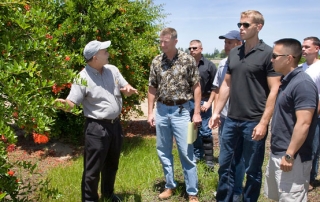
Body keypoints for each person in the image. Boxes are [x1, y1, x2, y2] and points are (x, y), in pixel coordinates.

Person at [209, 10, 281, 202]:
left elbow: (274, 90)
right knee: (225, 166)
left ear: (259, 27)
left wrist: (264, 123)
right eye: (240, 24)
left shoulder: (268, 54)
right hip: (231, 120)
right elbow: (226, 84)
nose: (241, 28)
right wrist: (216, 112)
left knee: (252, 169)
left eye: (246, 25)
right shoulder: (235, 52)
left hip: (254, 121)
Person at [55, 40, 138, 202]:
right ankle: (90, 199)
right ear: (95, 57)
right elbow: (72, 103)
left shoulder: (112, 70)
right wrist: (64, 105)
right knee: (92, 169)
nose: (107, 52)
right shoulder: (82, 78)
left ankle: (108, 194)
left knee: (112, 164)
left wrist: (129, 90)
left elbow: (126, 87)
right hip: (96, 128)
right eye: (104, 51)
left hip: (115, 126)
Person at [147, 27, 202, 202]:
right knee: (163, 150)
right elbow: (152, 88)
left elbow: (196, 87)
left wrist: (197, 113)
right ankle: (169, 186)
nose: (162, 44)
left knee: (186, 152)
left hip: (182, 111)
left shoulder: (187, 60)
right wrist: (150, 112)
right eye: (160, 41)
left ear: (175, 41)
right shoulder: (156, 61)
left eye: (166, 41)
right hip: (162, 110)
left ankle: (192, 191)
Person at [264, 38, 318, 202]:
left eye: (274, 56)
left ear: (289, 58)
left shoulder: (302, 83)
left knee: (291, 197)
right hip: (278, 151)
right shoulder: (287, 81)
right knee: (280, 196)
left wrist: (290, 154)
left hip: (293, 157)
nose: (271, 59)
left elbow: (304, 123)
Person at [212, 30, 244, 201]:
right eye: (225, 43)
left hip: (242, 117)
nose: (226, 46)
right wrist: (216, 112)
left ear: (239, 43)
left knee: (239, 158)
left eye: (230, 42)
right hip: (225, 117)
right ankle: (225, 190)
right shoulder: (223, 63)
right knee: (225, 157)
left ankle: (237, 191)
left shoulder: (246, 61)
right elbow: (218, 89)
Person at [189, 39, 217, 169]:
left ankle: (209, 161)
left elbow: (216, 87)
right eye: (190, 48)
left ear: (201, 49)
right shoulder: (186, 65)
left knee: (205, 131)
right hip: (189, 102)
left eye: (194, 48)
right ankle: (196, 156)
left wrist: (209, 102)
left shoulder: (209, 66)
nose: (192, 50)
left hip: (204, 101)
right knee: (193, 130)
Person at [301, 36, 320, 191]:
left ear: (316, 49)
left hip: (316, 116)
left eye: (307, 47)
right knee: (304, 145)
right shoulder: (301, 68)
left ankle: (310, 179)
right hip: (302, 114)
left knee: (313, 146)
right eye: (302, 47)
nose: (303, 50)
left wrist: (314, 115)